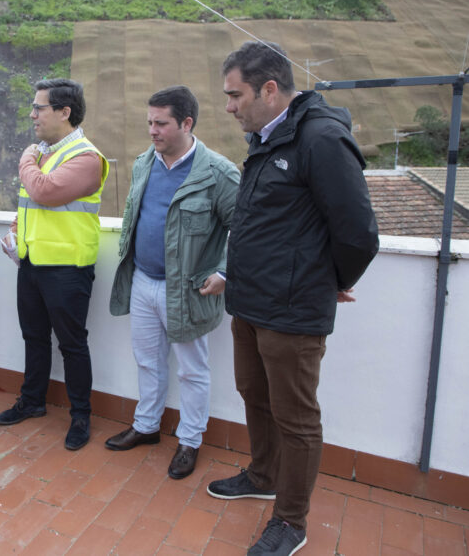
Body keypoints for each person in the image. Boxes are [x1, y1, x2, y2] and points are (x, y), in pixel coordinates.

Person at [207, 41, 378, 555]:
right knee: (253, 396)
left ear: (270, 89)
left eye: (235, 95)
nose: (229, 105)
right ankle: (262, 474)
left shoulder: (321, 139)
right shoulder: (268, 137)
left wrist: (331, 280)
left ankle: (291, 521)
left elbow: (357, 232)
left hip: (292, 312)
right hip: (251, 303)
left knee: (296, 417)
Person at [107, 86, 239, 479]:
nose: (152, 130)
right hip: (144, 282)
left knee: (192, 371)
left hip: (189, 291)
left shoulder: (218, 173)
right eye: (149, 122)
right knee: (147, 361)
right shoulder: (144, 162)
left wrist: (226, 274)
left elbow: (248, 230)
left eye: (161, 123)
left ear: (186, 123)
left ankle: (190, 441)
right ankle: (147, 426)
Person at [0, 78, 110, 451]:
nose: (32, 115)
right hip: (31, 263)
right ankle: (32, 402)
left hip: (66, 268)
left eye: (39, 108)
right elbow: (29, 203)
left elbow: (44, 192)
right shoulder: (45, 152)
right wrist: (16, 232)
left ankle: (81, 415)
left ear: (65, 111)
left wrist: (26, 158)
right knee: (33, 337)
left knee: (72, 345)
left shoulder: (86, 157)